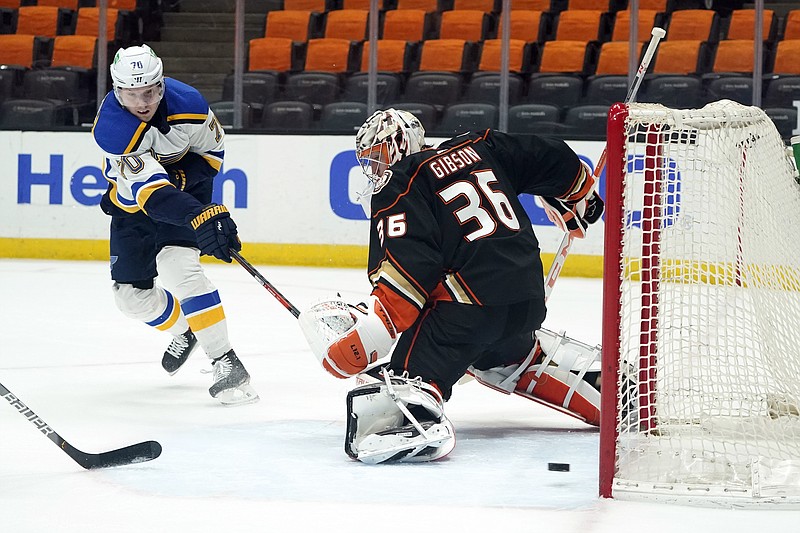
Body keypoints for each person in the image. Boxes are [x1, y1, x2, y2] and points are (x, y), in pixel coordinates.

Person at [300, 108, 605, 463]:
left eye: (378, 154)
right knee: (502, 354)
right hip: (526, 301)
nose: (375, 168)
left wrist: (372, 333)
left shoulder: (401, 182)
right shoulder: (479, 147)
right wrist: (577, 193)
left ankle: (413, 411)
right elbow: (550, 156)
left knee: (391, 394)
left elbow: (409, 270)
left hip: (468, 311)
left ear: (400, 144)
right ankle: (603, 385)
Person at [92, 44, 258, 406]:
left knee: (177, 266)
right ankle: (187, 328)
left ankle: (226, 360)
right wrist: (197, 214)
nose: (142, 102)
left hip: (186, 189)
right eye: (132, 94)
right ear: (117, 91)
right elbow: (151, 195)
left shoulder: (191, 105)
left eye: (149, 91)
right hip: (134, 203)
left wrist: (192, 192)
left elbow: (211, 156)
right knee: (131, 300)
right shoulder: (113, 128)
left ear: (161, 85)